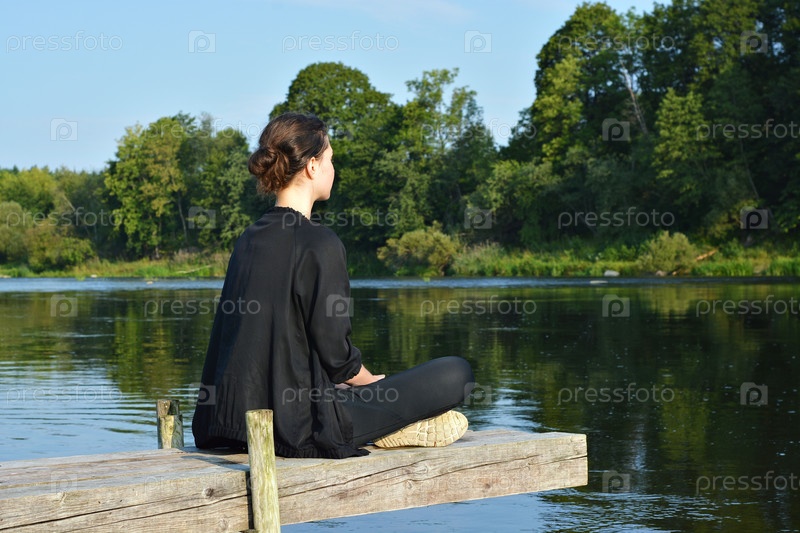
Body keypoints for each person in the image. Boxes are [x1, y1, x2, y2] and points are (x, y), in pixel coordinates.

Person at [192, 112, 475, 459]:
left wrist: (337, 381)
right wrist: (374, 385)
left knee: (349, 391)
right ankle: (394, 426)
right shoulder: (319, 242)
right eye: (330, 159)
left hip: (227, 422)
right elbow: (338, 357)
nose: (332, 168)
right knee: (456, 373)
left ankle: (391, 423)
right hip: (298, 427)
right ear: (312, 166)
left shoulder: (248, 238)